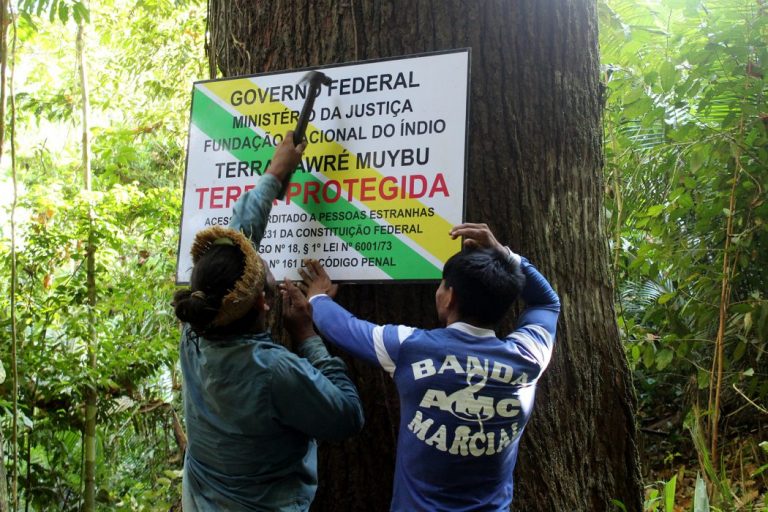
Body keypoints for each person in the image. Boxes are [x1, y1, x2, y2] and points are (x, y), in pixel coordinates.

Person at [284, 223, 560, 511]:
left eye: (442, 284)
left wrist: (317, 298)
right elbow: (547, 303)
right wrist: (506, 256)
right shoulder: (529, 357)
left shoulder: (410, 348)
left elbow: (345, 328)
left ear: (449, 297)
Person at [173, 132, 364, 511]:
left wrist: (275, 174)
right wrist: (308, 334)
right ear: (263, 302)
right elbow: (347, 415)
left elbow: (237, 248)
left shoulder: (196, 328)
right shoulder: (274, 372)